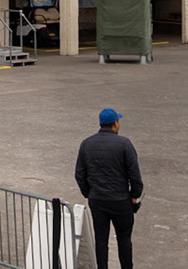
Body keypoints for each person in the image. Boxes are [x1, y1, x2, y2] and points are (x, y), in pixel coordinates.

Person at [75, 107, 142, 269]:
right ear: (115, 123)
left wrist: (89, 193)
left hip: (98, 201)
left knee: (101, 240)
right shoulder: (124, 144)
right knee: (124, 239)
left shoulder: (87, 144)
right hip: (121, 201)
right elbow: (135, 176)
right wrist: (134, 195)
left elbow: (79, 174)